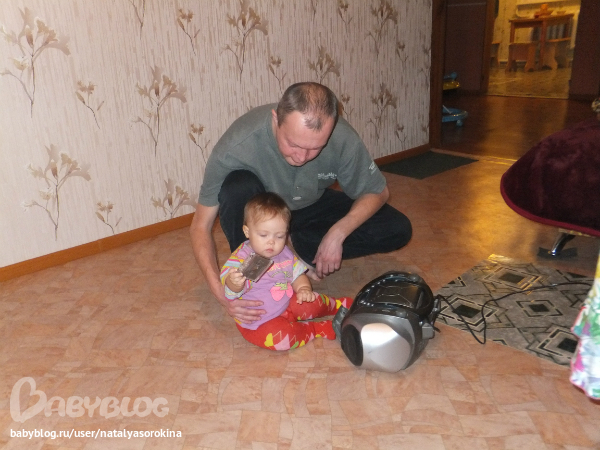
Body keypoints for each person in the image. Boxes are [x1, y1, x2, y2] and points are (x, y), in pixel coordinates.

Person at [190, 81, 411, 325]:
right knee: (235, 187)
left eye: (316, 148)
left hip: (311, 204)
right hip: (267, 212)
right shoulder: (237, 144)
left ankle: (301, 250)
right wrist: (222, 295)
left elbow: (378, 192)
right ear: (276, 119)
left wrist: (337, 233)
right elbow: (200, 226)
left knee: (397, 228)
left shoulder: (342, 137)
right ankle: (255, 272)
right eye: (293, 144)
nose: (302, 157)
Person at [221, 192, 352, 350]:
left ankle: (338, 305)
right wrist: (234, 283)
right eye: (263, 235)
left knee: (310, 302)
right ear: (247, 232)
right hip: (259, 322)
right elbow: (229, 289)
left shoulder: (284, 253)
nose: (271, 242)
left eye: (279, 236)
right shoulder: (239, 259)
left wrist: (303, 289)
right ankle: (315, 329)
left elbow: (297, 274)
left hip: (288, 303)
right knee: (280, 340)